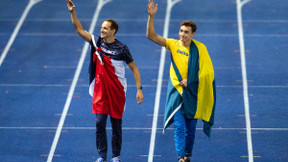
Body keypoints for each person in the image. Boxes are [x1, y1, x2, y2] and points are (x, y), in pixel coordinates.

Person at [66, 0, 144, 162]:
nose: (101, 29)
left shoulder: (122, 48)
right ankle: (102, 155)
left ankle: (116, 156)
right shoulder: (97, 42)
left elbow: (134, 68)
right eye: (101, 27)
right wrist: (72, 12)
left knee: (116, 126)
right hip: (100, 92)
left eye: (105, 28)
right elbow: (79, 29)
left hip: (117, 92)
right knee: (100, 123)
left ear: (113, 31)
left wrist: (139, 89)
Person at [146, 0, 216, 162]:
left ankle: (186, 156)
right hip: (177, 92)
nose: (182, 34)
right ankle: (180, 158)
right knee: (179, 126)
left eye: (186, 32)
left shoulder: (200, 48)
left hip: (193, 93)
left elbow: (207, 73)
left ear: (193, 34)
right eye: (181, 31)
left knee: (190, 130)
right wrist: (151, 17)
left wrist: (190, 80)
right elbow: (151, 35)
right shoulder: (173, 44)